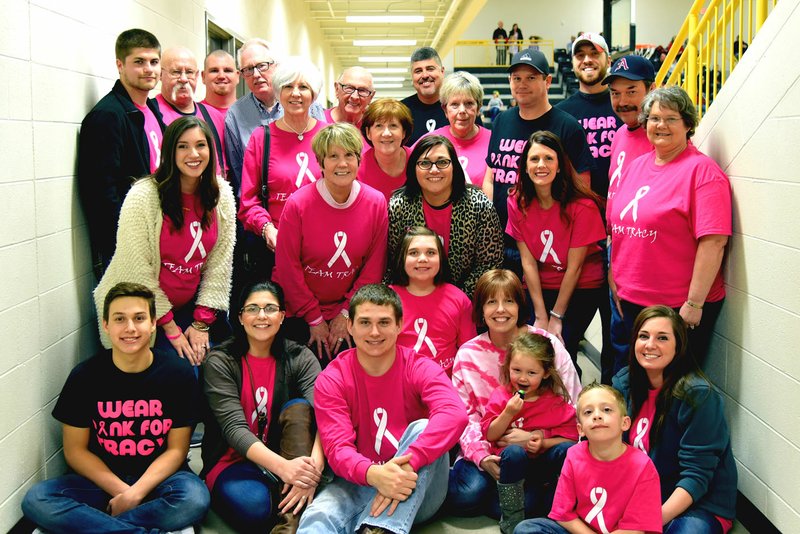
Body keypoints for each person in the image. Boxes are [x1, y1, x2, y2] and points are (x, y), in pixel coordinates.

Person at [22, 283, 210, 533]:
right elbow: (75, 451)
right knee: (37, 499)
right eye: (120, 319)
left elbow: (177, 450)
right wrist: (123, 492)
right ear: (106, 325)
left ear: (153, 323)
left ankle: (93, 526)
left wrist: (137, 493)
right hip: (99, 481)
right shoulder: (84, 377)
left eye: (139, 318)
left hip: (160, 480)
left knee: (195, 499)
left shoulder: (179, 374)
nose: (130, 328)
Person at [297, 284, 468, 533]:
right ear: (350, 327)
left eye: (384, 322)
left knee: (422, 427)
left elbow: (455, 414)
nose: (375, 332)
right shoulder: (332, 378)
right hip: (361, 479)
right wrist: (376, 474)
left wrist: (406, 466)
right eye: (365, 322)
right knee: (316, 518)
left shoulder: (419, 366)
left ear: (400, 325)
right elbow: (337, 448)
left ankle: (380, 530)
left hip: (417, 483)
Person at [93, 116, 236, 365]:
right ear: (169, 151)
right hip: (142, 309)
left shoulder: (221, 194)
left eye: (201, 145)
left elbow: (220, 264)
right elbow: (136, 269)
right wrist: (170, 329)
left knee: (217, 366)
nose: (193, 153)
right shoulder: (143, 196)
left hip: (191, 308)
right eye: (183, 146)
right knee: (180, 370)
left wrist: (201, 322)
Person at [607, 86, 731, 363]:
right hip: (631, 299)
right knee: (640, 381)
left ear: (688, 124)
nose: (660, 125)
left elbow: (714, 242)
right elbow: (619, 226)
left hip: (677, 307)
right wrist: (616, 279)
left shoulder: (703, 172)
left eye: (671, 118)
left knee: (673, 387)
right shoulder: (637, 166)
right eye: (653, 118)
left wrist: (694, 304)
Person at [447, 269, 581, 519]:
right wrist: (482, 457)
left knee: (522, 503)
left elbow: (572, 400)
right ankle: (508, 495)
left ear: (520, 304)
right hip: (490, 448)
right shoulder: (467, 354)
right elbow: (465, 417)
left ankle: (517, 497)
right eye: (491, 302)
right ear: (481, 309)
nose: (501, 310)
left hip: (536, 451)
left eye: (509, 300)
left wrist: (538, 436)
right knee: (467, 494)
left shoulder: (547, 343)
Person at [201, 281, 324, 532]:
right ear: (240, 317)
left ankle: (288, 523)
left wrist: (312, 471)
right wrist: (286, 470)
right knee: (256, 509)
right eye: (252, 309)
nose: (261, 316)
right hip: (233, 460)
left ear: (282, 316)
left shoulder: (300, 357)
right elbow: (234, 429)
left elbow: (326, 417)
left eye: (270, 308)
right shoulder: (220, 361)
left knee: (301, 408)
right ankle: (294, 506)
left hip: (292, 454)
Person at [613, 306, 737, 533]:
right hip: (644, 495)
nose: (650, 345)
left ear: (678, 346)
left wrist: (646, 521)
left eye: (662, 338)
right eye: (643, 336)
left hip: (696, 504)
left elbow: (697, 476)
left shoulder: (698, 395)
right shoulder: (624, 384)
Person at [274, 123, 388, 361]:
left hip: (349, 308)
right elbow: (287, 268)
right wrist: (314, 318)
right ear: (321, 163)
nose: (342, 163)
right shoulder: (298, 204)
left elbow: (373, 268)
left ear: (359, 160)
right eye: (333, 156)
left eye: (349, 155)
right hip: (298, 310)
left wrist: (346, 313)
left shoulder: (376, 203)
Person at [483, 49, 593, 283]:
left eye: (531, 77)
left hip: (545, 243)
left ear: (548, 81)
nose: (522, 84)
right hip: (502, 240)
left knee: (540, 316)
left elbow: (582, 185)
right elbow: (491, 176)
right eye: (517, 78)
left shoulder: (567, 126)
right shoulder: (502, 120)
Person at [506, 131, 606, 375]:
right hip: (540, 284)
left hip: (581, 286)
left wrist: (556, 316)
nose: (541, 165)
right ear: (525, 167)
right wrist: (541, 316)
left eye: (549, 158)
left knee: (563, 346)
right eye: (534, 159)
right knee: (536, 347)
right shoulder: (516, 201)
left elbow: (576, 267)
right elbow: (527, 263)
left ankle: (569, 403)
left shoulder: (582, 205)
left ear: (560, 165)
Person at [514, 382, 663, 534]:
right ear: (580, 429)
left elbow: (635, 529)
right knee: (526, 529)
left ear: (624, 423)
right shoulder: (574, 455)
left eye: (606, 410)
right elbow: (563, 513)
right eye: (588, 412)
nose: (597, 416)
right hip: (581, 531)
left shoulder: (643, 466)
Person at [78, 28, 165, 274]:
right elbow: (101, 193)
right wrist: (126, 244)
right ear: (120, 65)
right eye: (139, 62)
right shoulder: (107, 116)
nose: (149, 69)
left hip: (155, 234)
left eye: (154, 62)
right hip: (127, 245)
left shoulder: (150, 109)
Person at [237, 57, 327, 280]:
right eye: (288, 86)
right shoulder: (262, 138)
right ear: (278, 91)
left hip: (323, 247)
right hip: (275, 248)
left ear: (313, 94)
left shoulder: (329, 135)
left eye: (303, 87)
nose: (295, 93)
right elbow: (248, 202)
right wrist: (267, 229)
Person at [482, 333, 578, 533]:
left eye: (531, 373)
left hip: (540, 473)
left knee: (567, 450)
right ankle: (511, 516)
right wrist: (508, 413)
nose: (523, 378)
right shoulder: (502, 396)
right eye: (517, 370)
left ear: (545, 373)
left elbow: (572, 438)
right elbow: (490, 435)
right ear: (508, 367)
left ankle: (555, 506)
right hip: (511, 473)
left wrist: (543, 440)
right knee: (514, 453)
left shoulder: (554, 402)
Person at [388, 135, 503, 298]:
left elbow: (489, 264)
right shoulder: (399, 205)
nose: (434, 170)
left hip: (466, 300)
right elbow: (393, 262)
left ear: (455, 167)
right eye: (425, 163)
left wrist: (456, 301)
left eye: (442, 162)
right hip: (411, 297)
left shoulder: (479, 204)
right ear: (414, 168)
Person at [602, 54, 656, 381]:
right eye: (615, 93)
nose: (622, 102)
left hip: (645, 255)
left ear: (651, 89)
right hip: (617, 250)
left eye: (631, 91)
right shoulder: (621, 133)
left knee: (644, 349)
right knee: (620, 339)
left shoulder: (659, 135)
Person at [224, 38, 325, 192]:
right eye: (248, 69)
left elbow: (327, 154)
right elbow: (239, 175)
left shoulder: (310, 106)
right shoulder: (236, 115)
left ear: (276, 66)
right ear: (242, 74)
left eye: (262, 66)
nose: (256, 75)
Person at [389, 226, 476, 375]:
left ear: (441, 258)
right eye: (413, 253)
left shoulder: (459, 299)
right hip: (399, 382)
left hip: (446, 386)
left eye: (431, 252)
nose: (422, 259)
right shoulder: (387, 299)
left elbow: (469, 354)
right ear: (401, 258)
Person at [557, 32, 619, 198]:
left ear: (608, 61)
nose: (587, 60)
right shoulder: (560, 113)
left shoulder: (624, 107)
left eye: (594, 54)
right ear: (573, 63)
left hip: (624, 208)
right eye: (580, 55)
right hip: (577, 209)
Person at [156, 46, 225, 174]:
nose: (183, 79)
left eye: (189, 72)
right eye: (176, 72)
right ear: (160, 74)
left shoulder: (215, 116)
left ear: (197, 75)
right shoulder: (150, 114)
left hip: (214, 192)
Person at [423, 71, 492, 188]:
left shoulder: (494, 141)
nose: (462, 110)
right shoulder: (429, 140)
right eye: (454, 104)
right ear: (445, 110)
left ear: (479, 107)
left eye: (469, 103)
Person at [357, 98, 414, 200]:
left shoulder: (418, 162)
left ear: (404, 132)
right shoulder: (357, 168)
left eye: (393, 126)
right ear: (368, 133)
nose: (386, 133)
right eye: (379, 126)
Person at [201, 49, 240, 175]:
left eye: (228, 70)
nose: (221, 75)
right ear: (203, 76)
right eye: (214, 70)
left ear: (238, 76)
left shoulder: (250, 114)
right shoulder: (194, 114)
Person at [401, 47, 447, 145]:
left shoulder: (460, 108)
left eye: (430, 69)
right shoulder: (400, 111)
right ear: (412, 76)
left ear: (442, 72)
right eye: (418, 71)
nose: (425, 75)